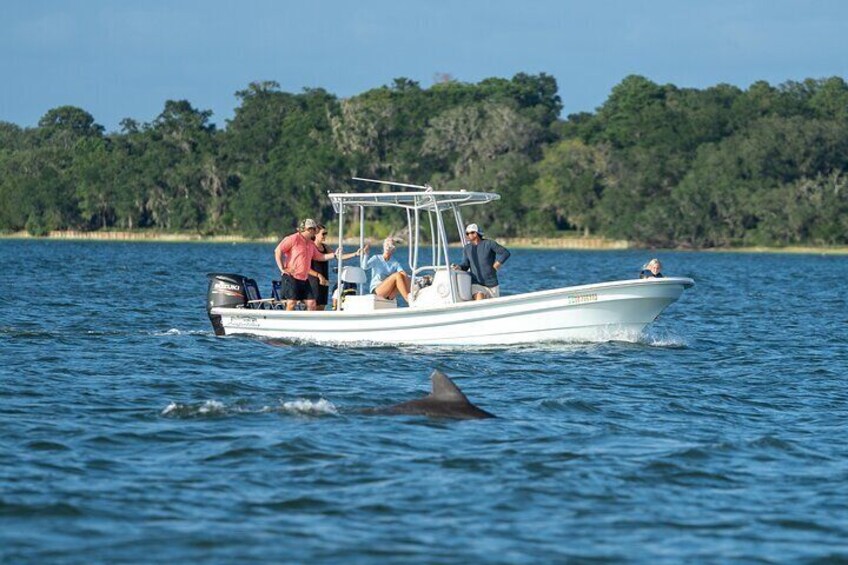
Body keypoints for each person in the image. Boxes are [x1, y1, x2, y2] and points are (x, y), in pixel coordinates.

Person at [274, 218, 337, 311]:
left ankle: (309, 324)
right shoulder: (293, 238)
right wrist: (282, 268)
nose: (316, 232)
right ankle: (287, 322)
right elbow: (278, 250)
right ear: (309, 230)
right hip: (292, 276)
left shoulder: (311, 244)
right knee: (292, 303)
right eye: (315, 230)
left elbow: (320, 257)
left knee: (312, 303)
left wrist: (335, 255)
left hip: (304, 278)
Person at [308, 224, 363, 310]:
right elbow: (305, 267)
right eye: (323, 233)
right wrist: (318, 275)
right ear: (315, 234)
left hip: (324, 279)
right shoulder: (310, 247)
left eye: (326, 233)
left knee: (322, 306)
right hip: (313, 279)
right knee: (313, 305)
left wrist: (355, 254)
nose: (325, 236)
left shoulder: (325, 247)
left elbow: (338, 257)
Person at [454, 223, 510, 300]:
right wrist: (459, 267)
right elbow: (465, 265)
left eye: (471, 232)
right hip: (477, 284)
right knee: (480, 301)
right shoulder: (467, 248)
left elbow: (505, 253)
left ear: (477, 233)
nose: (468, 235)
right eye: (467, 233)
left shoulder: (489, 244)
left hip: (492, 284)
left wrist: (498, 263)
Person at [364, 236, 410, 302]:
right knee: (397, 275)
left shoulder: (395, 263)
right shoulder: (376, 258)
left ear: (393, 249)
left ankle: (412, 296)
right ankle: (408, 300)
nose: (388, 246)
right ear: (383, 246)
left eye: (390, 245)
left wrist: (416, 279)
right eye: (386, 244)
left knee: (403, 276)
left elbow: (404, 274)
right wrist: (366, 255)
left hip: (390, 294)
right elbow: (364, 267)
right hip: (377, 291)